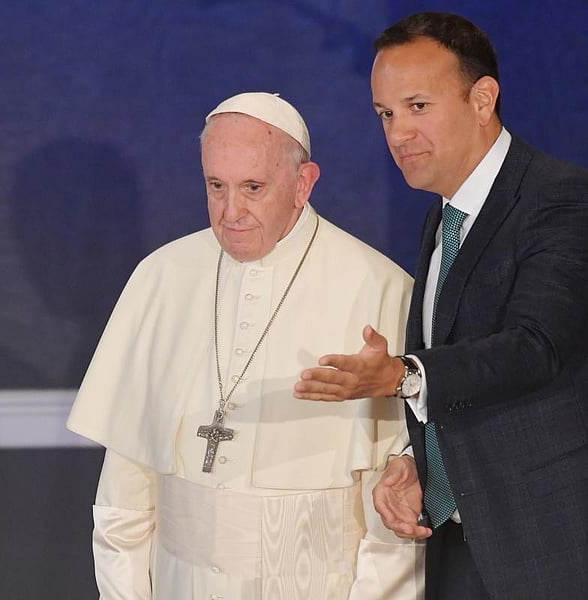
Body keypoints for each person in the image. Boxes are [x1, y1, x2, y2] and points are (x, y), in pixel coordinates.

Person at [68, 92, 422, 599]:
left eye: (253, 187)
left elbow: (393, 513)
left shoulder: (377, 286)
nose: (231, 212)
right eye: (216, 186)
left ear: (303, 184)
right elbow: (125, 493)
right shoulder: (162, 277)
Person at [294, 12, 588, 600]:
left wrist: (402, 374)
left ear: (483, 99)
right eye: (386, 114)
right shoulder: (443, 215)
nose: (398, 133)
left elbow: (536, 347)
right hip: (456, 541)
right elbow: (459, 378)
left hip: (546, 548)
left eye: (418, 107)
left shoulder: (560, 197)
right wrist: (416, 460)